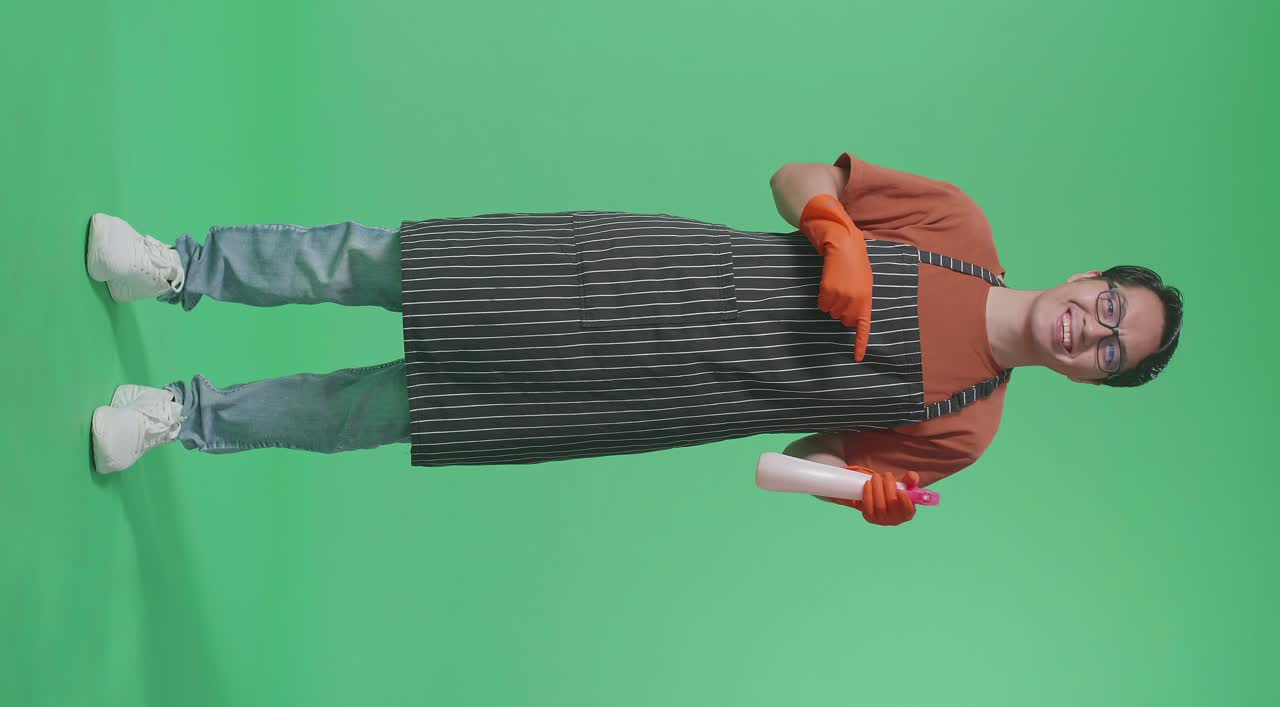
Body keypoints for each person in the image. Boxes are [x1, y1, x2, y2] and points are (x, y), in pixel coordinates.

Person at [86, 152, 1184, 528]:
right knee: (383, 263)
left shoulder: (967, 430)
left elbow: (781, 464)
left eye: (1107, 351)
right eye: (1107, 308)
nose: (1089, 330)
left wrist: (856, 495)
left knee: (381, 408)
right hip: (630, 270)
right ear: (1090, 278)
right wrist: (835, 232)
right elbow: (798, 175)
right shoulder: (955, 226)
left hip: (641, 399)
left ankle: (181, 420)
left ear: (1094, 379)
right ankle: (180, 267)